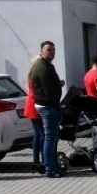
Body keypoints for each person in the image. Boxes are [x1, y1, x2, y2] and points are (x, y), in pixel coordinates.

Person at [28, 40, 64, 178]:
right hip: (47, 106)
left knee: (51, 138)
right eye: (49, 50)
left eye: (53, 50)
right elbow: (48, 90)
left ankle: (52, 166)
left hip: (47, 105)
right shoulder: (43, 67)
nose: (52, 52)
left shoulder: (47, 65)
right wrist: (56, 106)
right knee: (50, 138)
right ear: (42, 51)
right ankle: (50, 168)